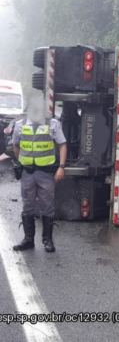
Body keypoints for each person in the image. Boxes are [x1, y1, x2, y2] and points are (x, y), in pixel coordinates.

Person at [11, 97, 67, 253]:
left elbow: (62, 145)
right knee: (27, 205)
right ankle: (28, 240)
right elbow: (16, 147)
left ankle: (47, 240)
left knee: (47, 205)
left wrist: (61, 167)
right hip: (27, 173)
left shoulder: (53, 124)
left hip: (46, 173)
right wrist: (22, 162)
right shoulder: (20, 125)